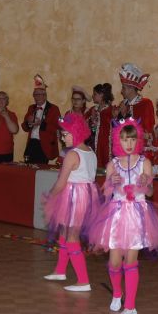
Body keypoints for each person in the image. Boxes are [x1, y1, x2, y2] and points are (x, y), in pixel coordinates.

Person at [88, 118, 158, 314]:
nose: (129, 144)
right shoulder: (113, 164)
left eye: (132, 139)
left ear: (138, 140)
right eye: (125, 139)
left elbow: (149, 192)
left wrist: (145, 183)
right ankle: (117, 293)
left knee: (131, 260)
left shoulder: (145, 163)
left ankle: (130, 306)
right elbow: (106, 193)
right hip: (116, 215)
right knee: (114, 262)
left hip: (136, 215)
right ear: (118, 140)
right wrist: (111, 182)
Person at [42, 114, 99, 291]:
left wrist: (51, 196)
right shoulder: (90, 152)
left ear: (76, 132)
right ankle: (60, 270)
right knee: (64, 231)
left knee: (72, 236)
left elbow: (61, 182)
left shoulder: (72, 155)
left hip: (75, 197)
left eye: (65, 134)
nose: (62, 137)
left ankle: (83, 281)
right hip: (85, 195)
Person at [22, 75, 60, 164]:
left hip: (44, 145)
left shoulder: (53, 109)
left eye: (39, 95)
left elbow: (57, 127)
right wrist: (29, 122)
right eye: (35, 95)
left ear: (45, 96)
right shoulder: (31, 108)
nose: (37, 97)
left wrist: (40, 123)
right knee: (28, 168)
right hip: (31, 144)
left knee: (41, 169)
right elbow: (24, 127)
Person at [117, 63, 154, 144]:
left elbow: (147, 131)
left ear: (131, 88)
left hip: (141, 147)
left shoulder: (145, 104)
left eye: (123, 88)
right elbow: (118, 130)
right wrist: (119, 115)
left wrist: (125, 115)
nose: (121, 91)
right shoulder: (123, 104)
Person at [89, 83, 116, 169]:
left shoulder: (109, 111)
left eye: (95, 94)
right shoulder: (94, 110)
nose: (92, 96)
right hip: (95, 142)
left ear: (101, 95)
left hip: (105, 144)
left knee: (105, 162)